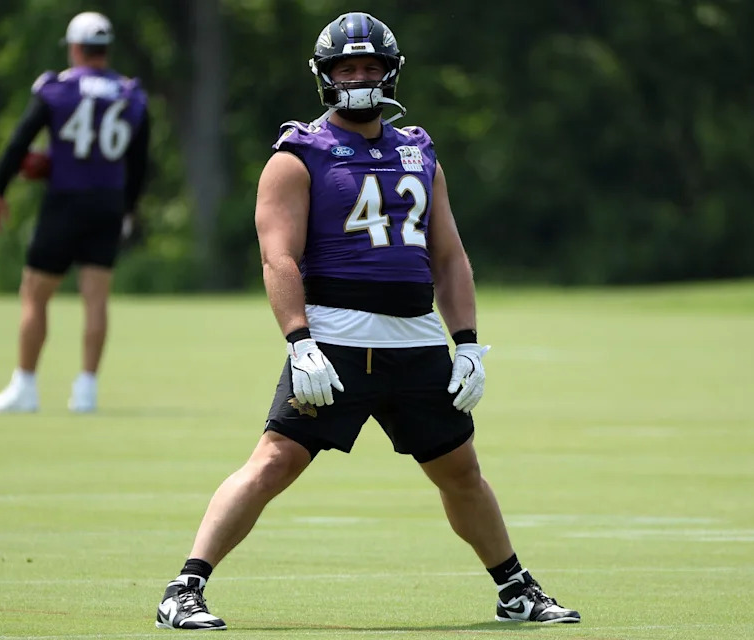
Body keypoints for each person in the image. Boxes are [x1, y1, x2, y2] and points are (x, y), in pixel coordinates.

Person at [154, 11, 580, 631]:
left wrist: (467, 344)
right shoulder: (298, 154)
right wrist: (299, 341)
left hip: (416, 342)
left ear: (391, 72)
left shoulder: (420, 151)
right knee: (275, 461)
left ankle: (515, 589)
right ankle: (184, 588)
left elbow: (448, 256)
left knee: (461, 472)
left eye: (370, 67)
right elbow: (278, 258)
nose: (359, 77)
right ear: (325, 76)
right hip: (338, 341)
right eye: (347, 68)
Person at [0, 11, 149, 414]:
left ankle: (25, 386)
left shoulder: (57, 89)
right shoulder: (130, 94)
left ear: (75, 48)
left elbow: (19, 141)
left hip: (65, 201)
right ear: (106, 50)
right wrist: (128, 209)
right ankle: (86, 391)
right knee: (96, 297)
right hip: (108, 203)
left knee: (35, 293)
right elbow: (139, 164)